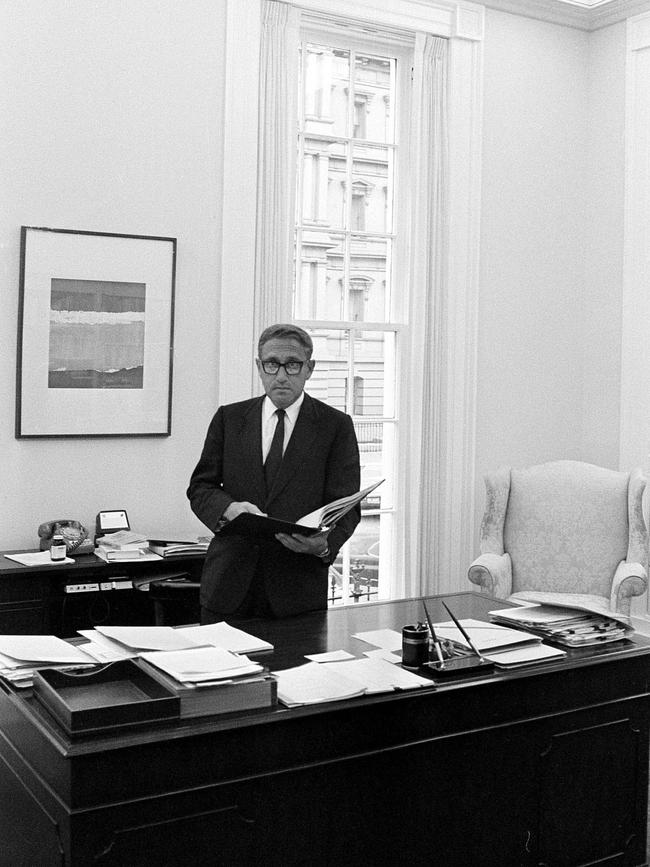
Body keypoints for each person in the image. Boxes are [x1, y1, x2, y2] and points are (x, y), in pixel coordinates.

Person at [187, 323, 361, 622]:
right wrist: (229, 508)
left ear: (310, 368)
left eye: (293, 365)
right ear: (259, 367)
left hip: (297, 590)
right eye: (272, 364)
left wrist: (324, 545)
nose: (281, 376)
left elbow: (347, 504)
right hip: (228, 587)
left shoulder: (335, 426)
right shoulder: (230, 418)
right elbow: (201, 487)